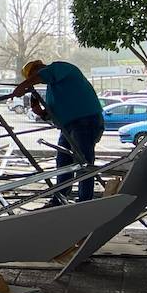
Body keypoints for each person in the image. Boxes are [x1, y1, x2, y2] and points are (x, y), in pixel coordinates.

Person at [10, 58, 104, 202]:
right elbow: (52, 114)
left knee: (83, 162)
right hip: (68, 125)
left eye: (34, 77)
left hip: (85, 120)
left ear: (38, 69)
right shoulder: (53, 89)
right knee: (63, 162)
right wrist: (39, 111)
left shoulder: (61, 68)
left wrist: (22, 86)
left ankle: (85, 201)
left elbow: (44, 74)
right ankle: (60, 199)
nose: (38, 81)